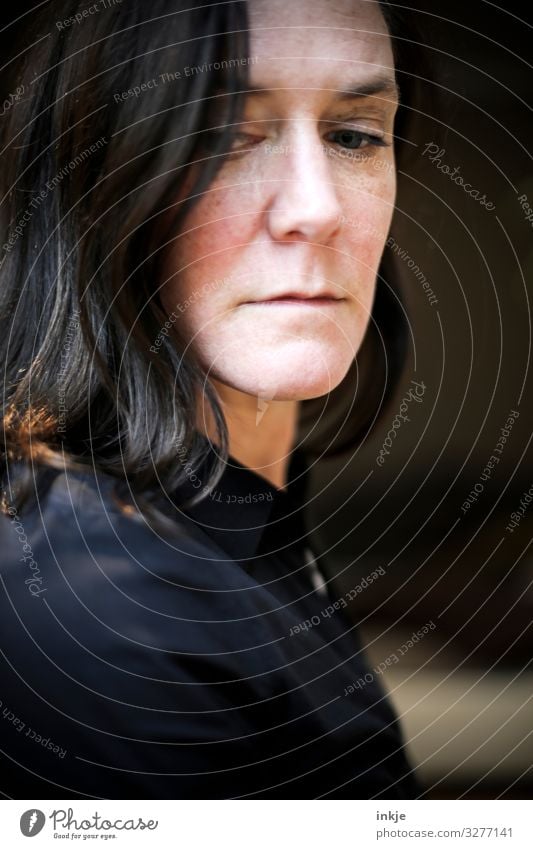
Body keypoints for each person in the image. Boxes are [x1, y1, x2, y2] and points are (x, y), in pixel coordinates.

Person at [0, 0, 424, 798]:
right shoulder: (109, 607)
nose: (318, 207)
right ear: (93, 181)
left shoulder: (243, 520)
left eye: (355, 134)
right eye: (226, 131)